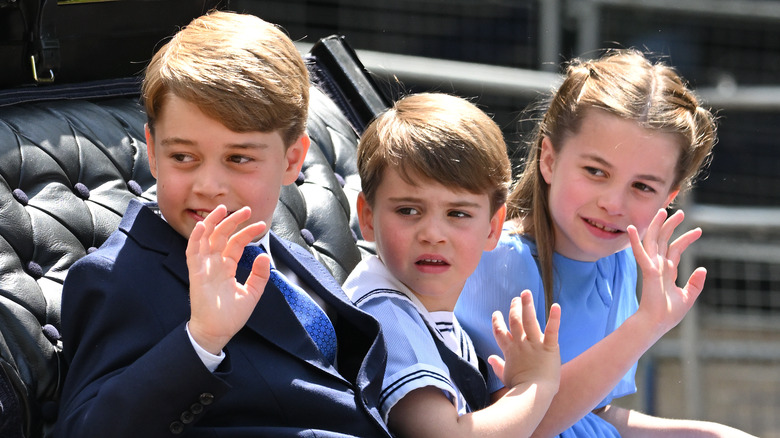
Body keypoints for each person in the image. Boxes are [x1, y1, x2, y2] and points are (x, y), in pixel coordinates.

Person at [54, 11, 391, 437]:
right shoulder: (117, 278)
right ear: (153, 152)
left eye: (238, 159)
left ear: (292, 159)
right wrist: (201, 340)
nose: (208, 185)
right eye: (183, 157)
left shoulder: (286, 254)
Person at [456, 49, 756, 437]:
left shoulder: (621, 260)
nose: (613, 204)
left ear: (669, 197)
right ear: (549, 159)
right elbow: (523, 427)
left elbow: (591, 416)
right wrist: (645, 326)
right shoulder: (498, 261)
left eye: (643, 186)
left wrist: (708, 434)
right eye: (596, 171)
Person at [343, 92, 562, 438]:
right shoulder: (385, 313)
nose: (432, 234)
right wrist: (536, 385)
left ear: (493, 227)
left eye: (457, 213)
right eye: (408, 210)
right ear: (367, 217)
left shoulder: (432, 314)